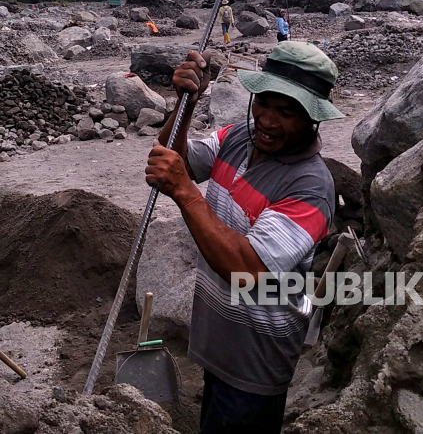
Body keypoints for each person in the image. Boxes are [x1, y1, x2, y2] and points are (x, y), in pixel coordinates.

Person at [145, 41, 344, 433]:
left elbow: (246, 268)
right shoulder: (239, 137)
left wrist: (185, 191)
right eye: (263, 104)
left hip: (256, 359)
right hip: (218, 339)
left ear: (312, 118)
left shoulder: (310, 187)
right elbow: (173, 159)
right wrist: (185, 103)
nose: (268, 121)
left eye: (286, 112)